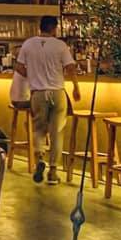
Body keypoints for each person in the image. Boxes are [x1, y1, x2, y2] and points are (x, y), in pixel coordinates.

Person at [15, 15, 81, 185]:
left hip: (38, 94)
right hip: (57, 93)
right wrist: (76, 87)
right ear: (54, 28)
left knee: (39, 130)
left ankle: (40, 159)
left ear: (40, 27)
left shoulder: (28, 44)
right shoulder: (60, 45)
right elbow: (70, 67)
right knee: (57, 132)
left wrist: (32, 76)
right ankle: (53, 172)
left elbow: (19, 66)